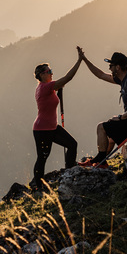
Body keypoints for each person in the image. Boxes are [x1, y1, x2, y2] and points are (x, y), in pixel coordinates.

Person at [77, 47, 127, 167]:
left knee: (101, 127)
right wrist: (84, 59)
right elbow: (100, 75)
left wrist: (121, 118)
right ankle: (100, 160)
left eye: (111, 65)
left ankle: (100, 161)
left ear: (117, 67)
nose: (109, 68)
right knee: (110, 136)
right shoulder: (125, 79)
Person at [31, 51, 83, 189]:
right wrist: (79, 61)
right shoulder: (45, 87)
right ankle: (38, 187)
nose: (52, 73)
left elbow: (60, 85)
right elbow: (68, 78)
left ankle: (70, 172)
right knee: (42, 157)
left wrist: (58, 91)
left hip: (52, 128)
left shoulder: (47, 87)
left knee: (72, 144)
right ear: (42, 74)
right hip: (42, 130)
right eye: (49, 71)